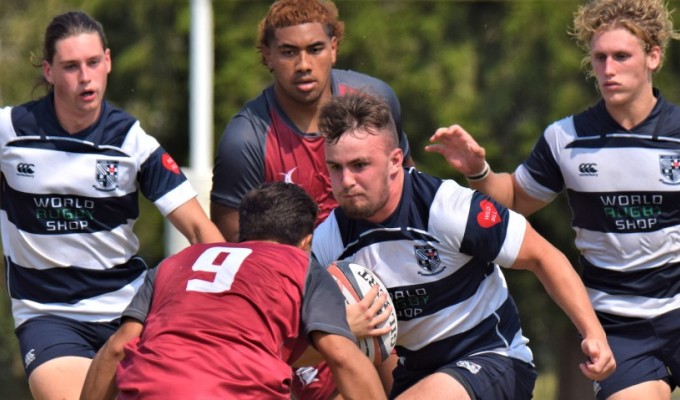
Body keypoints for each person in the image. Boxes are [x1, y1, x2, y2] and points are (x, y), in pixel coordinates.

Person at [425, 0, 680, 398]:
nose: (608, 70)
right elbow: (513, 199)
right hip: (616, 324)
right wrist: (478, 170)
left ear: (653, 56)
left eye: (621, 56)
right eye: (599, 57)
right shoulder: (566, 138)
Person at [311, 92, 616, 400]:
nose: (346, 180)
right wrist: (341, 328)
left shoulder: (446, 208)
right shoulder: (329, 241)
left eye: (359, 165)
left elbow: (542, 256)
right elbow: (298, 344)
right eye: (335, 168)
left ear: (394, 162)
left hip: (493, 359)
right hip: (417, 372)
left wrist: (594, 333)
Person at [0, 11, 224, 400]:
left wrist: (238, 302)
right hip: (49, 317)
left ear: (108, 61)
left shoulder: (131, 142)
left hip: (130, 312)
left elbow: (201, 231)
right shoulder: (10, 132)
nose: (84, 77)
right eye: (70, 67)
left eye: (92, 63)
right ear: (49, 71)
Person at [209, 0, 411, 397]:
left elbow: (404, 196)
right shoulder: (246, 140)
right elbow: (240, 260)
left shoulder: (375, 101)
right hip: (292, 302)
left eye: (315, 49)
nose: (303, 64)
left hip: (379, 275)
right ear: (267, 55)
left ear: (334, 46)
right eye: (288, 52)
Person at [79, 182, 386, 400]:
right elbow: (343, 359)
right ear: (306, 243)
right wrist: (344, 329)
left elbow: (117, 349)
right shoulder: (301, 265)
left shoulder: (172, 265)